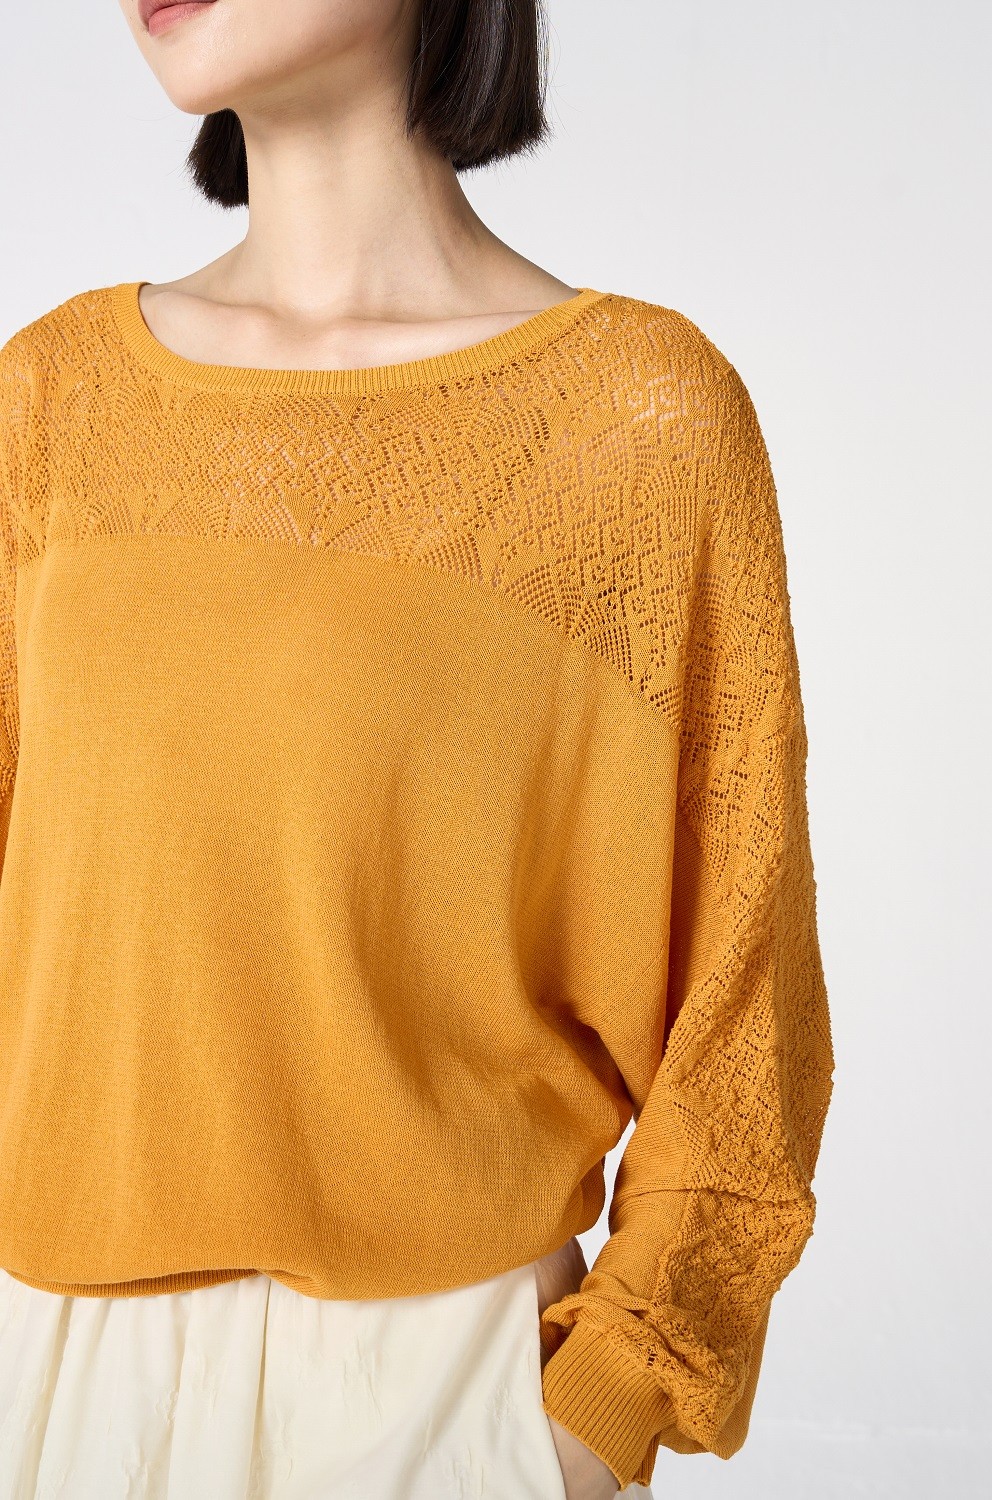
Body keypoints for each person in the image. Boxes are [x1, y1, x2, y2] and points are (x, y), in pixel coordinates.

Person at [0, 1, 836, 1497]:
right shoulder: (53, 401)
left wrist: (585, 1423)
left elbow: (743, 1018)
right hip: (50, 1381)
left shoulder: (637, 423)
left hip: (440, 1400)